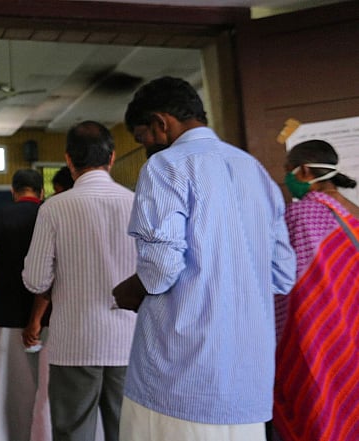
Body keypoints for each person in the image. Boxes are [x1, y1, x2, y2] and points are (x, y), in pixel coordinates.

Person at [112, 76, 296, 441]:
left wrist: (130, 290)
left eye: (142, 136)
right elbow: (282, 273)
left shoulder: (166, 167)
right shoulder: (255, 170)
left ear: (161, 123)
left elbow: (160, 270)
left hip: (180, 376)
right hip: (248, 379)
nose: (145, 146)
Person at [23, 121, 137, 441]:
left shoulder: (54, 208)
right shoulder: (136, 203)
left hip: (74, 345)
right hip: (128, 344)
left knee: (73, 435)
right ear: (112, 157)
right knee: (125, 432)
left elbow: (35, 280)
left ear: (69, 160)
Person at [273, 139, 359, 441]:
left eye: (288, 171)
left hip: (317, 333)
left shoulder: (300, 215)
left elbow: (285, 280)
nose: (286, 178)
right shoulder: (353, 210)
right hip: (352, 327)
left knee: (319, 404)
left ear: (305, 170)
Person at [0, 168, 46, 441]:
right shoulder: (47, 213)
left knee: (0, 389)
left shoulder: (1, 215)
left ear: (13, 191)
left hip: (3, 312)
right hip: (43, 317)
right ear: (41, 192)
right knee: (39, 388)